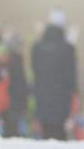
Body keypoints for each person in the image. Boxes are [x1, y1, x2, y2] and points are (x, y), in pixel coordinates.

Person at [31, 9, 78, 140]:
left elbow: (35, 70)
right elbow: (71, 78)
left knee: (45, 136)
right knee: (60, 137)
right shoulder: (67, 49)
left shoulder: (38, 47)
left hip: (42, 100)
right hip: (61, 102)